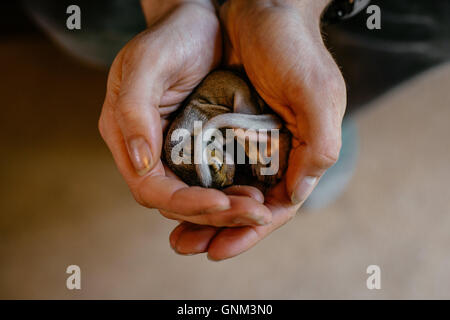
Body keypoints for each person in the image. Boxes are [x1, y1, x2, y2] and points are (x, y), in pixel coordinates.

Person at [26, 0, 450, 260]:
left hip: (235, 104)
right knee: (92, 26)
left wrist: (281, 6)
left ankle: (318, 118)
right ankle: (305, 122)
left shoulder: (224, 124)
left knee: (351, 60)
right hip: (219, 110)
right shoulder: (211, 127)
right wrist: (174, 7)